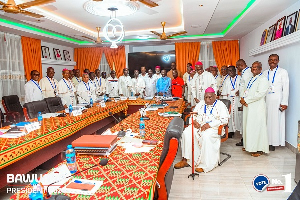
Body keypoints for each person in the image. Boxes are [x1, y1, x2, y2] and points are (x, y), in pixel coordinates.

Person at [174, 87, 230, 173]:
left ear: (215, 96)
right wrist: (194, 121)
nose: (207, 100)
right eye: (206, 97)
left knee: (206, 136)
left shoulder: (220, 105)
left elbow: (225, 119)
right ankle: (186, 159)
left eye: (210, 97)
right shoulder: (201, 103)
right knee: (186, 133)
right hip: (199, 125)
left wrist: (209, 125)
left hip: (213, 127)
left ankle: (206, 164)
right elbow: (193, 114)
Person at [240, 61, 269, 157]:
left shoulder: (263, 79)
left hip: (257, 107)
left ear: (261, 68)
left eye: (257, 67)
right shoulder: (250, 79)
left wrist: (246, 100)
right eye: (253, 67)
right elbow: (245, 90)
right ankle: (248, 146)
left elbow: (260, 94)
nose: (254, 69)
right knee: (248, 126)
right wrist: (242, 99)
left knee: (256, 127)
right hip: (248, 106)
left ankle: (258, 148)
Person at [263, 54, 289, 151]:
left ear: (278, 61)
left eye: (275, 60)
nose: (272, 62)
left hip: (278, 100)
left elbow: (286, 88)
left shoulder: (283, 72)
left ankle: (274, 142)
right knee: (267, 121)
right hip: (267, 100)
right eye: (271, 60)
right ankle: (267, 141)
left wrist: (284, 102)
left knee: (276, 122)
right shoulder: (265, 73)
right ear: (268, 61)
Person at [236, 59, 252, 146]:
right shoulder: (244, 72)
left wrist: (243, 100)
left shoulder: (248, 73)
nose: (237, 69)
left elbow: (247, 88)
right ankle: (244, 139)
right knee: (243, 120)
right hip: (242, 99)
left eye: (237, 66)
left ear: (241, 65)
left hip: (245, 100)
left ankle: (245, 140)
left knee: (245, 121)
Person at [221, 66, 242, 135]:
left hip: (237, 99)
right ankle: (231, 131)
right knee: (230, 115)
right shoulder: (227, 80)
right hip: (230, 99)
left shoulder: (240, 78)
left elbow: (243, 88)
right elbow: (224, 91)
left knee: (239, 115)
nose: (231, 72)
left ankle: (240, 130)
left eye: (232, 70)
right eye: (229, 71)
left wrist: (240, 91)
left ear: (235, 70)